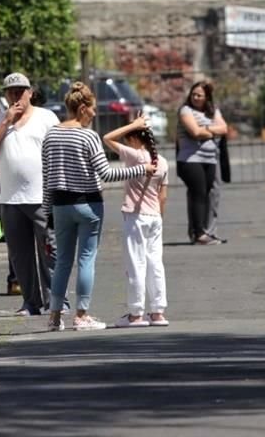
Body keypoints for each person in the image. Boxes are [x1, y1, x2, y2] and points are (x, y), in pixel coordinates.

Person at [41, 82, 155, 332]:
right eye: (92, 109)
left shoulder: (50, 135)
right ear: (82, 108)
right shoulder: (88, 136)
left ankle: (54, 316)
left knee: (62, 262)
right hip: (88, 204)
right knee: (86, 259)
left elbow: (46, 176)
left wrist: (47, 211)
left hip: (60, 205)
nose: (94, 114)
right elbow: (105, 173)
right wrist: (141, 169)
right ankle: (82, 315)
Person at [0, 72, 63, 316]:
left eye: (20, 90)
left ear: (30, 92)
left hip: (42, 196)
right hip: (10, 198)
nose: (16, 95)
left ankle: (57, 299)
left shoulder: (46, 117)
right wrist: (7, 121)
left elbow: (59, 148)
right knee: (20, 255)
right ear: (5, 95)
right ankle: (31, 302)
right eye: (11, 92)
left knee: (50, 250)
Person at [103, 120, 170, 328]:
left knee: (136, 265)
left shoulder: (135, 156)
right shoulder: (163, 162)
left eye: (129, 138)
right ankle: (158, 311)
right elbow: (163, 196)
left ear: (134, 138)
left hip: (136, 216)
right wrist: (160, 217)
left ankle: (136, 314)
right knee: (155, 264)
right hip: (155, 217)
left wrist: (132, 124)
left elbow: (107, 138)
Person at [176, 81, 227, 245]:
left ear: (207, 98)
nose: (196, 97)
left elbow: (224, 128)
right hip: (190, 159)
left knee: (205, 194)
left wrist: (207, 129)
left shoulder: (212, 111)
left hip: (209, 159)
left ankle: (203, 231)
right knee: (197, 193)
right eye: (193, 94)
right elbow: (195, 132)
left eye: (199, 95)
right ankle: (198, 233)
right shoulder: (186, 110)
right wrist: (212, 129)